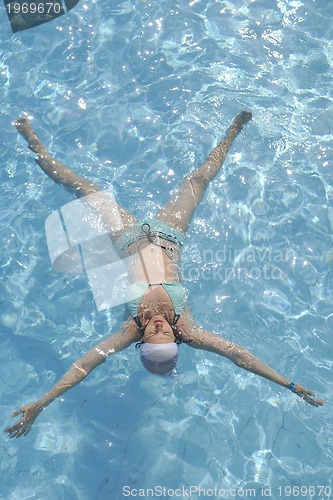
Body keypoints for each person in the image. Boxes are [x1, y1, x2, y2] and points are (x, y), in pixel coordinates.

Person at [5, 111, 323, 439]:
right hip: (170, 233)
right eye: (164, 332)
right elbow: (238, 355)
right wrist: (291, 385)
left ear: (141, 340)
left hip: (128, 235)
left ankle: (33, 142)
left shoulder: (129, 330)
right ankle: (233, 130)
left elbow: (82, 366)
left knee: (84, 189)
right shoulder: (188, 328)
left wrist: (41, 404)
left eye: (153, 332)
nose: (158, 325)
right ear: (175, 337)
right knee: (198, 180)